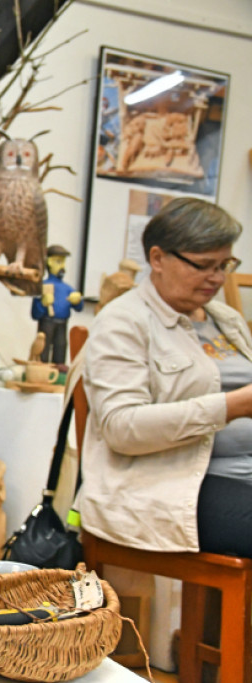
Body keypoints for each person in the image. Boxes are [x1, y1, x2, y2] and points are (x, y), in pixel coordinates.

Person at [78, 197, 252, 559]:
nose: (218, 279)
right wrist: (231, 407)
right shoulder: (124, 321)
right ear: (158, 259)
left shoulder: (226, 320)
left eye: (225, 265)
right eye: (204, 266)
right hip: (172, 487)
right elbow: (121, 427)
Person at [31, 244, 84, 365]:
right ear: (49, 262)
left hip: (62, 323)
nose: (63, 266)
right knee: (43, 347)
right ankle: (41, 366)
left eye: (63, 262)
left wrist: (77, 301)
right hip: (47, 322)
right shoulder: (42, 287)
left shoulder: (67, 289)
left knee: (61, 346)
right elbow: (35, 314)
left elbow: (79, 308)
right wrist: (42, 304)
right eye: (58, 262)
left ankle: (59, 368)